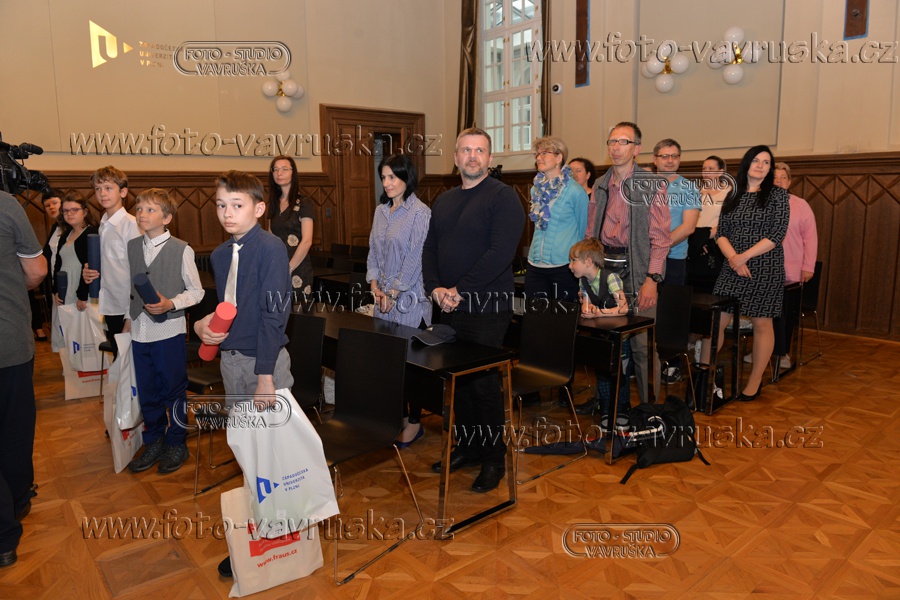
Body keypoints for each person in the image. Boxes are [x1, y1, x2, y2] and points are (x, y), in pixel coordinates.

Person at [193, 171, 292, 578]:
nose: (227, 213)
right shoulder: (220, 255)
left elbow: (273, 314)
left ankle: (283, 534)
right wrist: (202, 325)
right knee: (250, 454)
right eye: (221, 205)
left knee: (274, 455)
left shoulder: (270, 249)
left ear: (259, 208)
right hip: (232, 362)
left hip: (263, 363)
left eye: (237, 205)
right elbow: (228, 308)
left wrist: (266, 376)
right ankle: (260, 533)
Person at [422, 127, 525, 494]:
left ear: (489, 158)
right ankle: (468, 447)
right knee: (457, 383)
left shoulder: (504, 197)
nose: (472, 156)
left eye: (479, 150)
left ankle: (494, 458)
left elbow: (500, 253)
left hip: (486, 306)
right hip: (447, 306)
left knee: (482, 385)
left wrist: (459, 290)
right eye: (465, 150)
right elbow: (430, 248)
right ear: (455, 158)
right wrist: (435, 288)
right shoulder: (444, 200)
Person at [585, 121, 671, 406]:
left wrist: (652, 280)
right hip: (603, 268)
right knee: (605, 341)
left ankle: (650, 410)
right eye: (612, 141)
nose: (616, 147)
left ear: (637, 149)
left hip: (637, 271)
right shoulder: (600, 185)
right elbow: (590, 234)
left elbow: (661, 240)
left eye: (623, 142)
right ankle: (608, 406)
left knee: (642, 347)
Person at [124, 189, 204, 474]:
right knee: (147, 391)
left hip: (168, 331)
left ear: (167, 218)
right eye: (139, 209)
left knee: (173, 391)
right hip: (139, 331)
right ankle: (155, 440)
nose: (141, 214)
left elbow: (197, 291)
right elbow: (130, 288)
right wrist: (128, 318)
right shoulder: (133, 246)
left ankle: (177, 442)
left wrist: (171, 303)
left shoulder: (181, 249)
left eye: (150, 210)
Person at [705, 146, 790, 401]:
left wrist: (744, 257)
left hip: (765, 266)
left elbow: (776, 234)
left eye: (766, 162)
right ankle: (704, 377)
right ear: (746, 164)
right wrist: (733, 258)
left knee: (762, 323)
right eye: (756, 160)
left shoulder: (777, 195)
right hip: (732, 266)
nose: (761, 165)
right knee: (716, 322)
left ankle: (754, 382)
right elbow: (721, 232)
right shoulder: (733, 194)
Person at [366, 154, 432, 447]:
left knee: (412, 365)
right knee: (390, 362)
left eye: (393, 177)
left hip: (409, 300)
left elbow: (415, 259)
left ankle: (415, 422)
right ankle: (399, 417)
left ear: (407, 177)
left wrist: (393, 293)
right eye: (384, 177)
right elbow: (372, 251)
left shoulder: (420, 212)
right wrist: (374, 287)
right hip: (383, 299)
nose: (387, 183)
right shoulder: (380, 212)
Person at [0, 190, 47, 569]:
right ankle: (13, 507)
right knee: (14, 429)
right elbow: (36, 271)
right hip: (8, 340)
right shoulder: (5, 203)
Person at [81, 166, 141, 359]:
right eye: (98, 189)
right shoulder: (103, 224)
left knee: (131, 363)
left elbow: (139, 272)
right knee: (119, 359)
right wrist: (89, 271)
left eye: (108, 188)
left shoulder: (131, 225)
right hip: (110, 303)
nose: (102, 193)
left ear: (123, 192)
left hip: (127, 307)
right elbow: (109, 263)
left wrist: (130, 316)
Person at [569, 238, 631, 417]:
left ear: (588, 262)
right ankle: (606, 409)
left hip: (619, 338)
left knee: (620, 376)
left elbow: (623, 308)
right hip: (602, 336)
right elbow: (587, 306)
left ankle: (621, 410)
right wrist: (587, 309)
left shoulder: (611, 278)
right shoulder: (583, 281)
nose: (570, 266)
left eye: (574, 261)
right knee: (603, 374)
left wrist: (598, 313)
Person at [525, 136, 587, 303]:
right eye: (537, 154)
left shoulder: (575, 191)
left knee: (563, 317)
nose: (539, 158)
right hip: (535, 266)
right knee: (534, 316)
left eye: (545, 153)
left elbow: (584, 231)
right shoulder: (535, 190)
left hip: (564, 268)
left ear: (559, 157)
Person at [770, 162, 817, 369]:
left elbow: (810, 238)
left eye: (783, 178)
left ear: (789, 182)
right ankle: (762, 350)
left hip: (791, 270)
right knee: (762, 315)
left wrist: (808, 266)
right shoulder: (760, 204)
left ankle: (782, 353)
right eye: (775, 177)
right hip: (765, 269)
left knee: (783, 315)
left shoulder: (800, 205)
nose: (779, 181)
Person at [267, 155, 315, 305]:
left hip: (298, 267)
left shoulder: (304, 203)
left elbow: (307, 241)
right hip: (276, 266)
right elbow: (270, 236)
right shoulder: (273, 203)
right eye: (275, 170)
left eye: (284, 169)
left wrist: (289, 268)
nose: (279, 173)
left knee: (297, 311)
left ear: (293, 173)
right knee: (277, 309)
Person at [652, 139, 701, 286]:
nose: (670, 160)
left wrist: (658, 249)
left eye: (674, 156)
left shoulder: (689, 187)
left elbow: (688, 227)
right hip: (642, 258)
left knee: (669, 301)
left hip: (673, 259)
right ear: (655, 159)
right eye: (664, 156)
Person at [687, 156, 730, 294]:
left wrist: (707, 236)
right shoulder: (696, 192)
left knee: (713, 289)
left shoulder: (728, 193)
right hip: (694, 241)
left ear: (721, 172)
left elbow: (728, 222)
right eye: (704, 168)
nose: (706, 172)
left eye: (711, 169)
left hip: (715, 243)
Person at [52, 192, 98, 310]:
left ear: (85, 212)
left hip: (81, 289)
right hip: (64, 287)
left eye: (74, 210)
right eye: (65, 211)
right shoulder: (65, 234)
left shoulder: (91, 234)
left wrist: (82, 296)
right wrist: (56, 290)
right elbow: (58, 264)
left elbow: (90, 267)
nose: (69, 214)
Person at [31, 190, 62, 342]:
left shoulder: (73, 227)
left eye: (55, 203)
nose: (51, 207)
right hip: (55, 283)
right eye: (47, 206)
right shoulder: (55, 228)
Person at [568, 157, 597, 238]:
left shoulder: (595, 196)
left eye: (578, 171)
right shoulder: (564, 197)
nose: (573, 175)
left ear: (588, 175)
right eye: (570, 171)